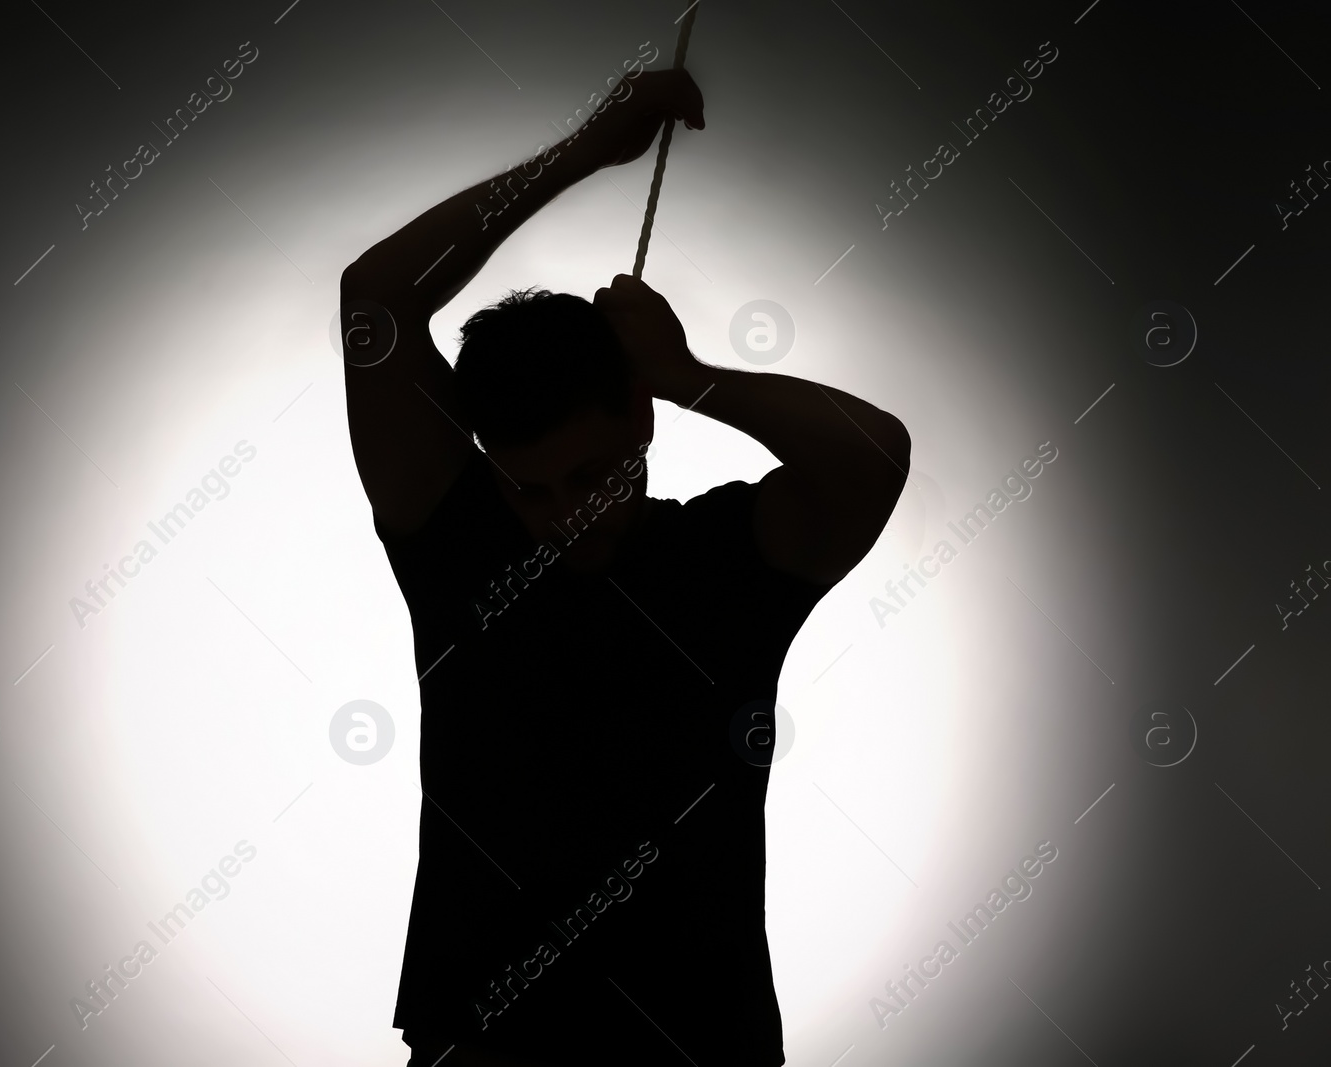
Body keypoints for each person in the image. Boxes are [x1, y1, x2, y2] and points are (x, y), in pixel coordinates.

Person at [339, 67, 909, 1067]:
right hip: (480, 1036)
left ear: (641, 423)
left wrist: (690, 377)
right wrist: (585, 150)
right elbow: (373, 297)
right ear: (487, 465)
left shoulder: (728, 558)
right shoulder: (456, 539)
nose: (565, 517)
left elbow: (873, 453)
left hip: (696, 1040)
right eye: (530, 489)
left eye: (594, 475)